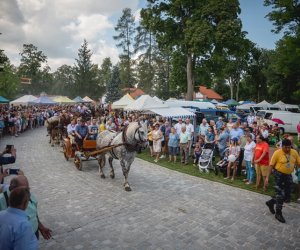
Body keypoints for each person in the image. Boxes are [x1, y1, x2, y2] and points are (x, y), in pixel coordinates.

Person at [0, 175, 52, 240]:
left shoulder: (28, 194)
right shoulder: (1, 200)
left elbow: (34, 212)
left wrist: (40, 227)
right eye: (24, 189)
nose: (27, 192)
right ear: (13, 188)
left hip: (33, 234)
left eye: (27, 189)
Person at [265, 139, 300, 223]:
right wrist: (267, 178)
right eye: (286, 147)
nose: (288, 149)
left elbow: (298, 163)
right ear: (282, 146)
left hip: (288, 175)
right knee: (280, 194)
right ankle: (278, 213)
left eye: (289, 147)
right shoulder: (277, 153)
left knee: (287, 195)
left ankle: (271, 202)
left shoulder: (294, 152)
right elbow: (271, 165)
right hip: (279, 175)